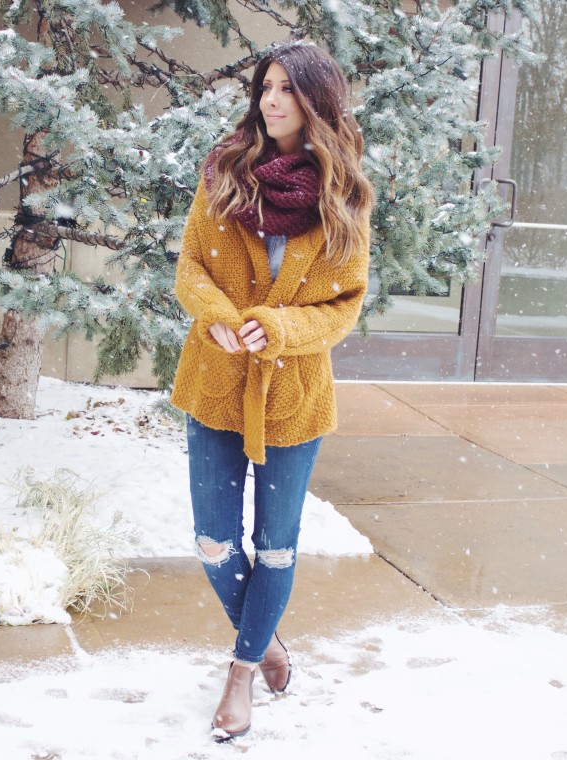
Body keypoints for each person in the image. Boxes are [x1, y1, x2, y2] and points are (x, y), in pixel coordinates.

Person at [169, 41, 375, 741]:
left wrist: (279, 329)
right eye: (266, 87)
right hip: (216, 382)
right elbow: (191, 268)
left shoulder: (343, 193)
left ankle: (242, 672)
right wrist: (224, 319)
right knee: (212, 543)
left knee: (276, 546)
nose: (271, 100)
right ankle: (270, 641)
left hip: (293, 395)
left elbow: (344, 304)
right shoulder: (226, 171)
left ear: (316, 101)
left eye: (287, 89)